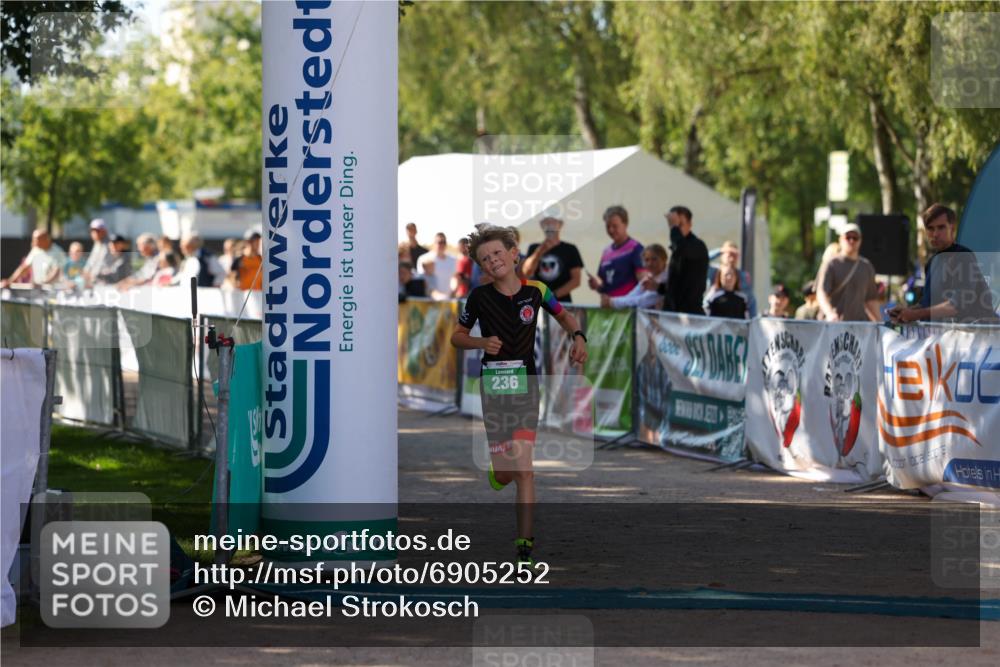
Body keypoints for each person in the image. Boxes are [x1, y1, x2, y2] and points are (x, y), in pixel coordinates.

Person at [451, 225, 587, 565]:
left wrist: (579, 337)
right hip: (494, 389)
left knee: (525, 469)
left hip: (526, 386)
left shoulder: (538, 290)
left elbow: (565, 315)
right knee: (506, 472)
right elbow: (457, 336)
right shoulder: (479, 297)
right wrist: (481, 342)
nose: (492, 260)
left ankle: (524, 547)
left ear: (514, 254)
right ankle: (499, 472)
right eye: (485, 258)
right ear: (482, 268)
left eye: (497, 253)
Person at [889, 203, 997, 324]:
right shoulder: (931, 262)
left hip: (981, 337)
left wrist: (915, 314)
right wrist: (904, 313)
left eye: (941, 227)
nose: (935, 234)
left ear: (952, 228)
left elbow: (958, 305)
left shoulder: (963, 257)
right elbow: (927, 304)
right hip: (949, 338)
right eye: (930, 228)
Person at [816, 223, 879, 322]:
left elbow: (871, 300)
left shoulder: (866, 266)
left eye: (855, 238)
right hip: (834, 324)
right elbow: (821, 293)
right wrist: (829, 313)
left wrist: (880, 324)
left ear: (860, 241)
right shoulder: (831, 264)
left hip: (858, 325)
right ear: (840, 239)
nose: (851, 240)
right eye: (848, 237)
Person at [655, 205, 709, 314]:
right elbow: (679, 285)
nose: (677, 228)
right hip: (673, 313)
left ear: (690, 224)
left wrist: (674, 228)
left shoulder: (697, 246)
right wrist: (658, 287)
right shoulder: (678, 248)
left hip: (689, 314)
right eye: (674, 225)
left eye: (680, 224)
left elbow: (681, 248)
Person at [522, 216, 584, 303]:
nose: (550, 225)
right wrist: (539, 251)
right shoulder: (534, 248)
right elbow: (526, 273)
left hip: (562, 304)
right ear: (541, 225)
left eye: (553, 222)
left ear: (560, 224)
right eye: (546, 222)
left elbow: (576, 280)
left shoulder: (570, 249)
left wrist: (551, 297)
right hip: (537, 302)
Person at [588, 205, 646, 298]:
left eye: (615, 226)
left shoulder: (636, 249)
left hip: (629, 308)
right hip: (610, 309)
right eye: (608, 226)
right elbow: (604, 286)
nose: (611, 230)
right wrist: (596, 286)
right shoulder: (606, 252)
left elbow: (644, 283)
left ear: (625, 224)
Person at [601, 244, 668, 310]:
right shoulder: (649, 277)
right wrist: (611, 301)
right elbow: (631, 296)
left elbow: (643, 301)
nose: (650, 263)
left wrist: (613, 302)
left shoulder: (667, 278)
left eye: (654, 259)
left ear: (664, 259)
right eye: (647, 260)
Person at [705, 240, 757, 316]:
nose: (732, 258)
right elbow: (702, 259)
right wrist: (720, 250)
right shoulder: (714, 271)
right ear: (722, 256)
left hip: (734, 316)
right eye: (729, 254)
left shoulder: (743, 276)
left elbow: (750, 300)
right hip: (714, 314)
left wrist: (752, 322)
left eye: (734, 255)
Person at [1, 229, 66, 288]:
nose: (33, 242)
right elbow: (24, 267)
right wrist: (10, 281)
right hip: (38, 290)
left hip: (54, 291)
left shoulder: (58, 252)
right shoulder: (35, 250)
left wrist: (42, 284)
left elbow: (56, 272)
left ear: (46, 239)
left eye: (36, 239)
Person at [420, 232, 458, 300]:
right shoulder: (423, 259)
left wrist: (453, 291)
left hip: (447, 300)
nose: (441, 244)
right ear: (434, 243)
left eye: (444, 242)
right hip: (429, 302)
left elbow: (454, 278)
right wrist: (436, 295)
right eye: (439, 242)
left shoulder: (453, 260)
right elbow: (423, 281)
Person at [82, 218, 112, 285]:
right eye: (92, 230)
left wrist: (91, 275)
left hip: (105, 283)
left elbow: (103, 265)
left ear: (104, 231)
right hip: (94, 281)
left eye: (97, 230)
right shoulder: (97, 244)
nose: (94, 233)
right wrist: (85, 272)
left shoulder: (109, 245)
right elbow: (90, 262)